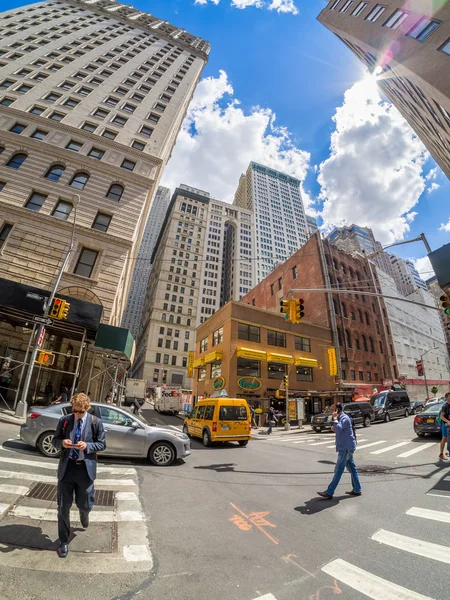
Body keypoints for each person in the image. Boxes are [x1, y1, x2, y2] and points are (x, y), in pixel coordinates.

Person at [52, 392, 106, 558]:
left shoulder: (96, 423)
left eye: (79, 411)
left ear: (86, 408)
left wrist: (88, 445)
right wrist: (62, 443)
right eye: (74, 410)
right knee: (63, 508)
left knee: (85, 504)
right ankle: (63, 541)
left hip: (85, 469)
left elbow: (102, 444)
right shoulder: (65, 421)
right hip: (67, 468)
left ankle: (84, 512)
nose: (76, 414)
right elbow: (55, 440)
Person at [317, 403, 361, 500]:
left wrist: (335, 419)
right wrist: (335, 425)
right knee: (352, 469)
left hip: (345, 448)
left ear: (337, 410)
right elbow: (338, 429)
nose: (330, 411)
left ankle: (329, 491)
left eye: (332, 409)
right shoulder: (341, 417)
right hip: (347, 447)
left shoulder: (344, 418)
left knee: (338, 470)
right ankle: (357, 489)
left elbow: (339, 427)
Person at [439, 392, 450, 460]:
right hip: (445, 425)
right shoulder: (445, 406)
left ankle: (448, 452)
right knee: (444, 438)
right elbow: (441, 416)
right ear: (446, 398)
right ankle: (441, 454)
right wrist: (448, 421)